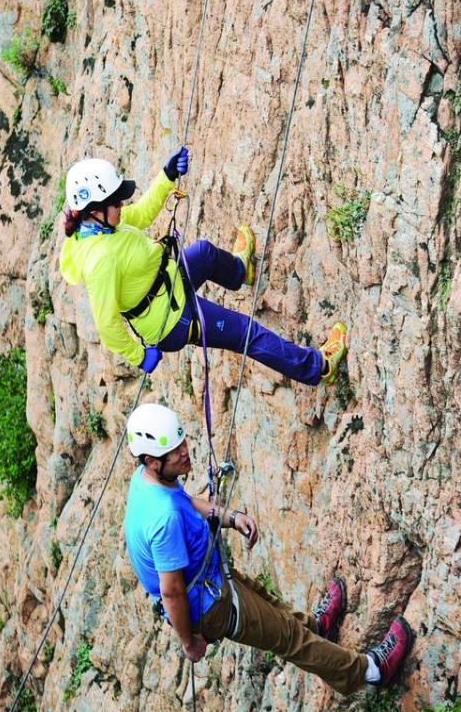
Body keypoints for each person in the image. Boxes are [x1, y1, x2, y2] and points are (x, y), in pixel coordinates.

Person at [123, 403, 414, 696]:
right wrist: (189, 643)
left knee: (271, 606)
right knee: (289, 639)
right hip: (209, 606)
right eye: (174, 451)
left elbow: (186, 502)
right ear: (151, 460)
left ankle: (317, 626)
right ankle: (371, 671)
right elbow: (171, 591)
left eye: (181, 442)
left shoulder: (149, 480)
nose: (184, 451)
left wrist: (231, 518)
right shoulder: (164, 519)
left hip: (211, 580)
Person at [59, 149, 348, 386]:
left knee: (205, 253)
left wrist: (167, 175)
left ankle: (239, 272)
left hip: (169, 284)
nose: (122, 205)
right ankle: (319, 368)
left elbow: (143, 213)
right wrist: (138, 356)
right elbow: (106, 324)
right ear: (95, 211)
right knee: (247, 333)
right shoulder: (100, 261)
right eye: (116, 201)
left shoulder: (105, 226)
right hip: (173, 320)